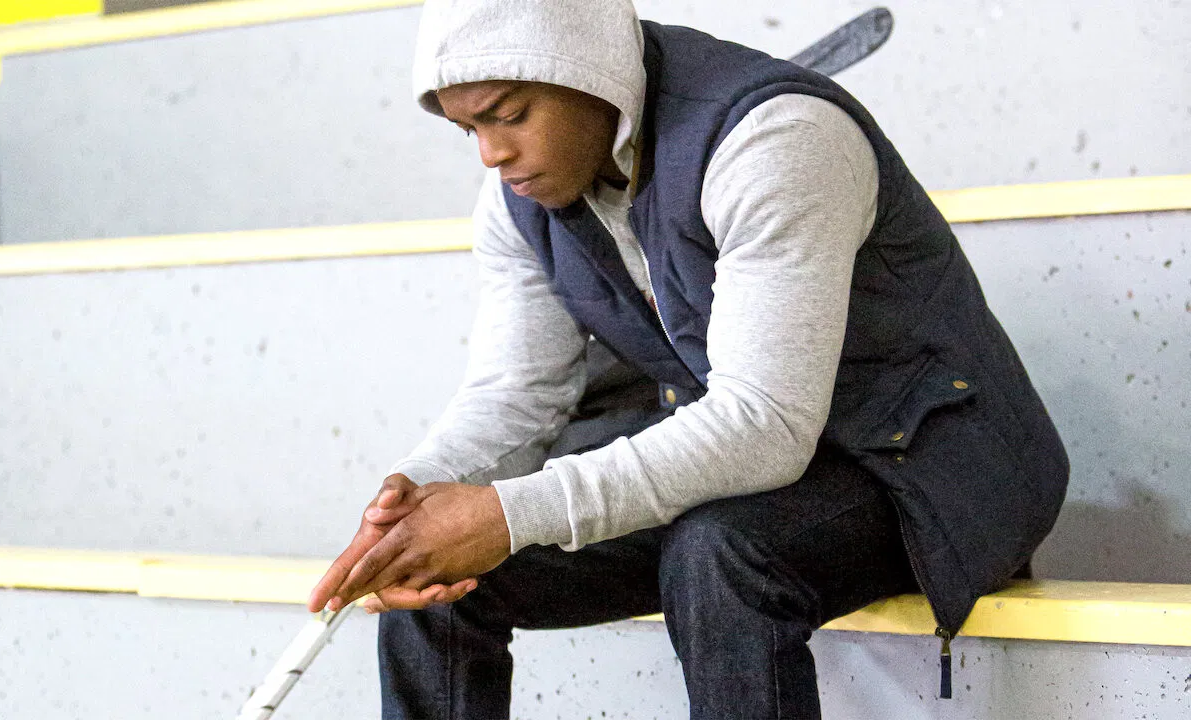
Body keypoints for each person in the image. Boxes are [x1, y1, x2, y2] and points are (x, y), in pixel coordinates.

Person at [308, 1, 1070, 717]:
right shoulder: (516, 199)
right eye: (466, 129)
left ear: (589, 70)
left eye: (508, 115)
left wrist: (510, 513)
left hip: (925, 466)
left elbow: (764, 424)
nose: (491, 153)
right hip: (759, 464)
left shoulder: (777, 139)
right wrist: (417, 498)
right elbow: (515, 394)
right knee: (437, 567)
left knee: (719, 553)